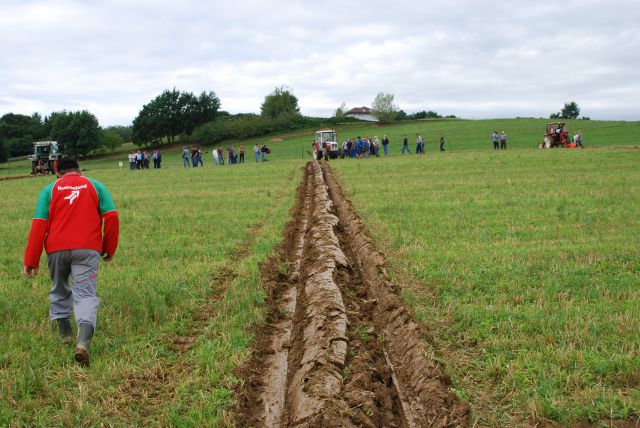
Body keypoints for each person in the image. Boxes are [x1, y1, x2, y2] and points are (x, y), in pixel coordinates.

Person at [23, 158, 119, 366]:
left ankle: (65, 331)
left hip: (56, 249)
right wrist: (109, 248)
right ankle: (83, 341)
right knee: (85, 295)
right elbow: (111, 216)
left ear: (58, 172)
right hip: (87, 248)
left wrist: (31, 260)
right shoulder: (95, 185)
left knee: (59, 287)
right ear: (79, 171)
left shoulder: (49, 189)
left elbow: (39, 224)